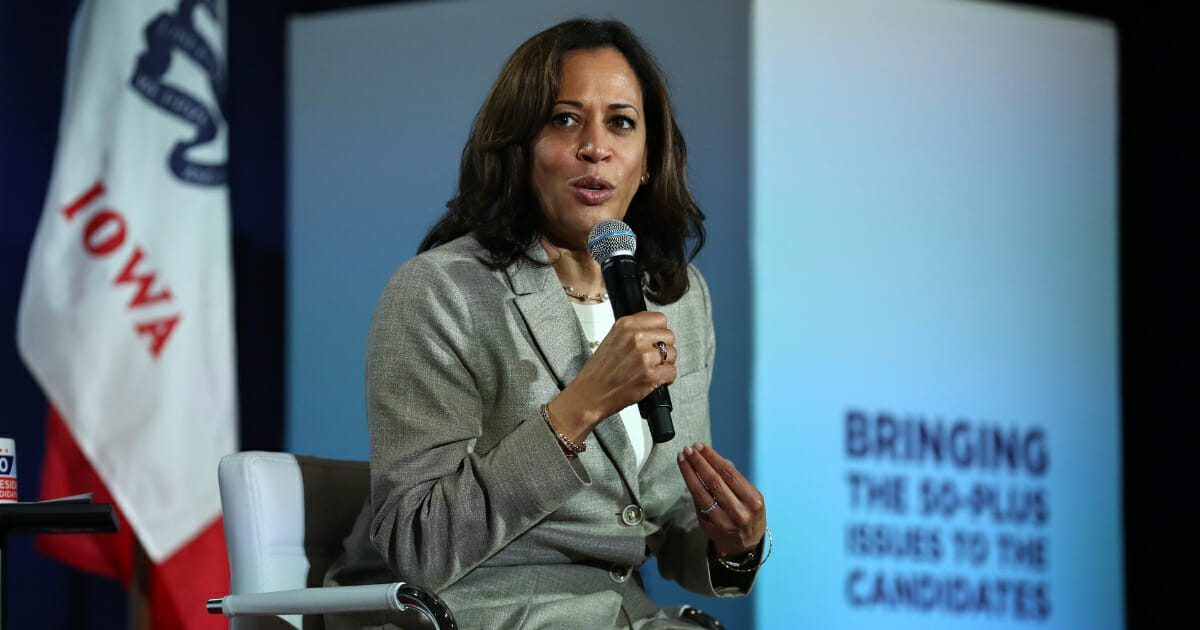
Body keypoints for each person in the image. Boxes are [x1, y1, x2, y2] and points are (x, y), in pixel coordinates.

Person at [325, 18, 770, 629]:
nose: (596, 146)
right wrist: (578, 408)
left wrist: (734, 547)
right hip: (473, 610)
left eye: (621, 122)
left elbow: (663, 526)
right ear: (519, 149)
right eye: (565, 119)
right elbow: (418, 545)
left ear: (647, 161)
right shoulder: (441, 290)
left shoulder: (678, 298)